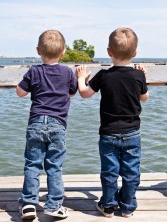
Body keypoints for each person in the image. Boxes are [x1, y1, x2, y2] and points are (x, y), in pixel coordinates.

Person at [76, 27, 149, 218]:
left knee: (109, 172)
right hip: (132, 132)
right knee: (131, 171)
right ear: (135, 53)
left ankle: (108, 206)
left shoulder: (103, 75)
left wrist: (81, 78)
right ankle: (127, 207)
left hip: (108, 133)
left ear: (109, 52)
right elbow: (144, 97)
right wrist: (142, 77)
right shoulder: (138, 75)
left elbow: (84, 93)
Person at [16, 30, 77, 220]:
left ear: (38, 51)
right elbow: (73, 92)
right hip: (58, 124)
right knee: (54, 166)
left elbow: (20, 92)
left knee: (32, 164)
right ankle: (53, 205)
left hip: (36, 123)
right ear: (63, 53)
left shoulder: (34, 71)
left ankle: (28, 204)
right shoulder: (67, 72)